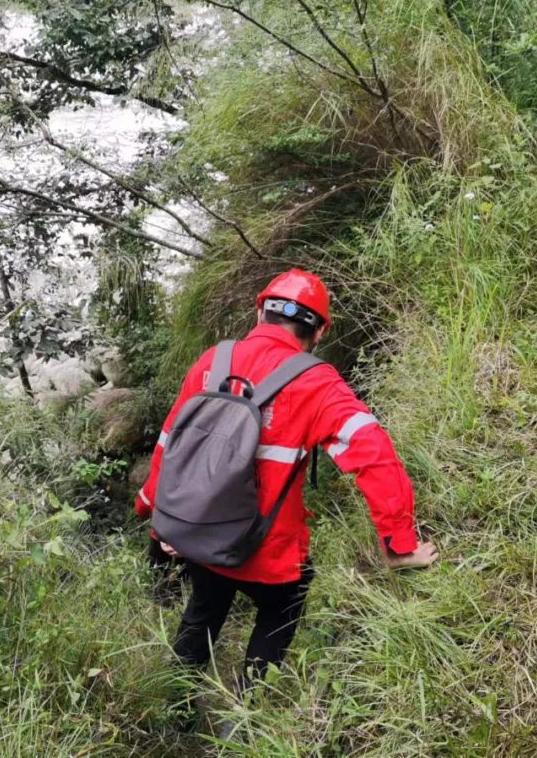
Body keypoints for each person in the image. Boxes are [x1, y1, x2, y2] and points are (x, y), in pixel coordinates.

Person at [134, 269, 438, 686]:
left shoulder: (212, 362)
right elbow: (374, 456)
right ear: (318, 333)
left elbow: (170, 443)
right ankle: (249, 715)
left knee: (203, 610)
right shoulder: (317, 382)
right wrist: (399, 544)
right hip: (268, 550)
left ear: (260, 313)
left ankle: (176, 711)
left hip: (202, 532)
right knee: (282, 607)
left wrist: (155, 511)